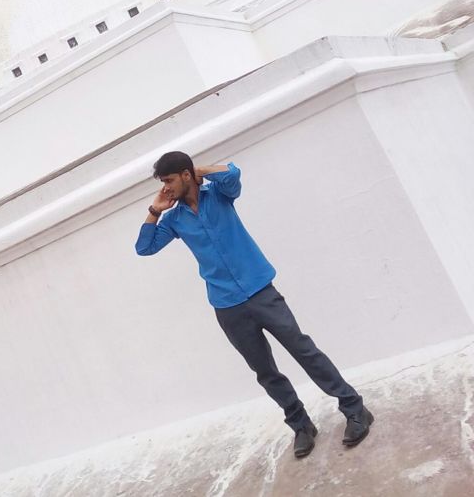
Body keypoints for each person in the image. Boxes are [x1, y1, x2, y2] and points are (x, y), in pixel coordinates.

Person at [135, 151, 373, 459]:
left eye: (169, 180)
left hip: (261, 291)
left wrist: (198, 170)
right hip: (227, 306)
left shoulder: (219, 195)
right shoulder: (175, 220)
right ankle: (301, 426)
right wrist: (154, 210)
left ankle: (355, 409)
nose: (165, 188)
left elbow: (232, 174)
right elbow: (145, 247)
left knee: (304, 350)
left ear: (185, 175)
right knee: (265, 372)